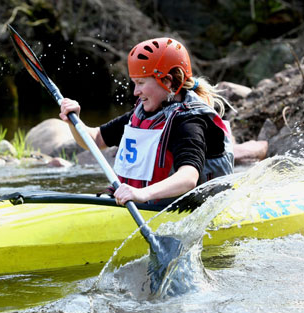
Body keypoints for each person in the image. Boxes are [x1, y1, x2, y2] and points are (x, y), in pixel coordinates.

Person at [59, 36, 234, 207]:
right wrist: (74, 121)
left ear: (167, 81)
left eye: (141, 83)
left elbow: (188, 177)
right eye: (134, 83)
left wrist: (141, 194)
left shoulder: (189, 121)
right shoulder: (144, 114)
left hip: (194, 210)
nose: (136, 91)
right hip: (147, 206)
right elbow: (96, 139)